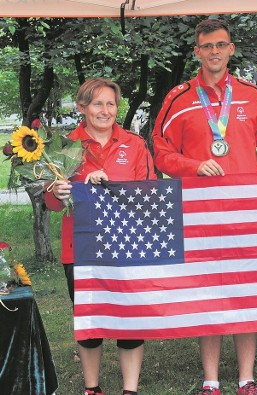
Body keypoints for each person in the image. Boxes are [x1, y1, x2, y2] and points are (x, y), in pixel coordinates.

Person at [151, 19, 257, 395]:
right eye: (207, 46)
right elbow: (161, 152)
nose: (214, 51)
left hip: (248, 214)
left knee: (248, 290)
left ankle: (247, 378)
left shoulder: (249, 94)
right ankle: (210, 380)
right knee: (207, 293)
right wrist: (194, 165)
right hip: (200, 216)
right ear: (197, 52)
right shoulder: (178, 99)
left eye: (221, 45)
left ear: (231, 49)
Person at [46, 77, 156, 395]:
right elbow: (53, 203)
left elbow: (148, 195)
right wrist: (63, 189)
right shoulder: (65, 146)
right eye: (97, 104)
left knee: (129, 320)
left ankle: (129, 390)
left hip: (127, 246)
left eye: (110, 103)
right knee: (89, 321)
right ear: (82, 107)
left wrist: (111, 187)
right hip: (81, 249)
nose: (105, 111)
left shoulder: (135, 144)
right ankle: (92, 388)